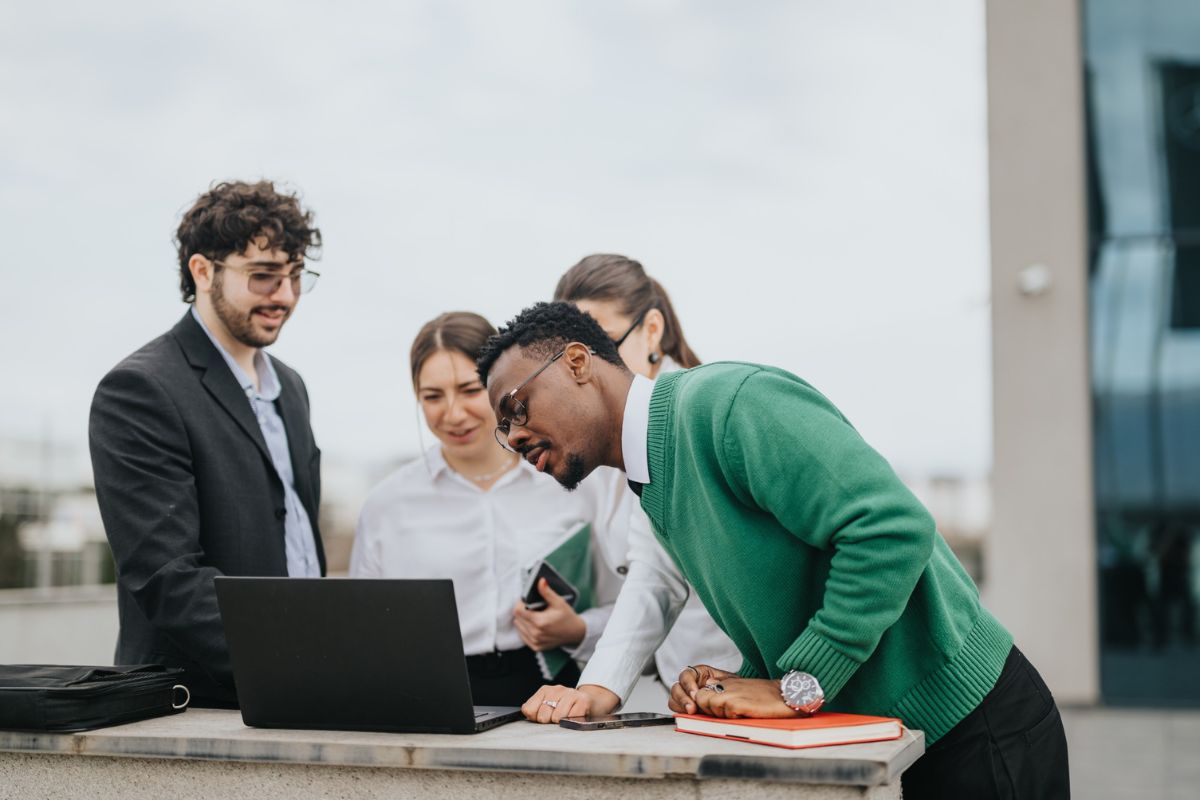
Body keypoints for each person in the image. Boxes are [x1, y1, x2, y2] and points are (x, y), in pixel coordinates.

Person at [477, 302, 1070, 798]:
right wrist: (737, 685)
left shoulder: (726, 404)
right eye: (502, 429)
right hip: (888, 742)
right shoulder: (654, 480)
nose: (514, 437)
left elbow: (891, 527)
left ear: (578, 362)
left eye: (516, 408)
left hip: (975, 726)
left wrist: (798, 682)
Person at [89, 180, 325, 708]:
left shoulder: (292, 388)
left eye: (294, 276)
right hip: (197, 705)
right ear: (202, 271)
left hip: (305, 689)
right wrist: (294, 663)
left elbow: (300, 546)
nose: (284, 295)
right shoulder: (140, 389)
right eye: (263, 275)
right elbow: (166, 576)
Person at [349, 312, 625, 706]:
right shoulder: (387, 504)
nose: (453, 413)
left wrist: (579, 629)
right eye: (432, 396)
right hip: (428, 696)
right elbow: (363, 628)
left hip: (554, 691)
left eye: (468, 390)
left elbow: (631, 601)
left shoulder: (571, 481)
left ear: (501, 388)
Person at [552, 254, 741, 698]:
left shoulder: (700, 420)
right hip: (673, 685)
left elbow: (656, 575)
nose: (585, 371)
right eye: (571, 357)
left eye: (602, 344)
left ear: (651, 330)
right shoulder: (603, 441)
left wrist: (595, 691)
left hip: (742, 681)